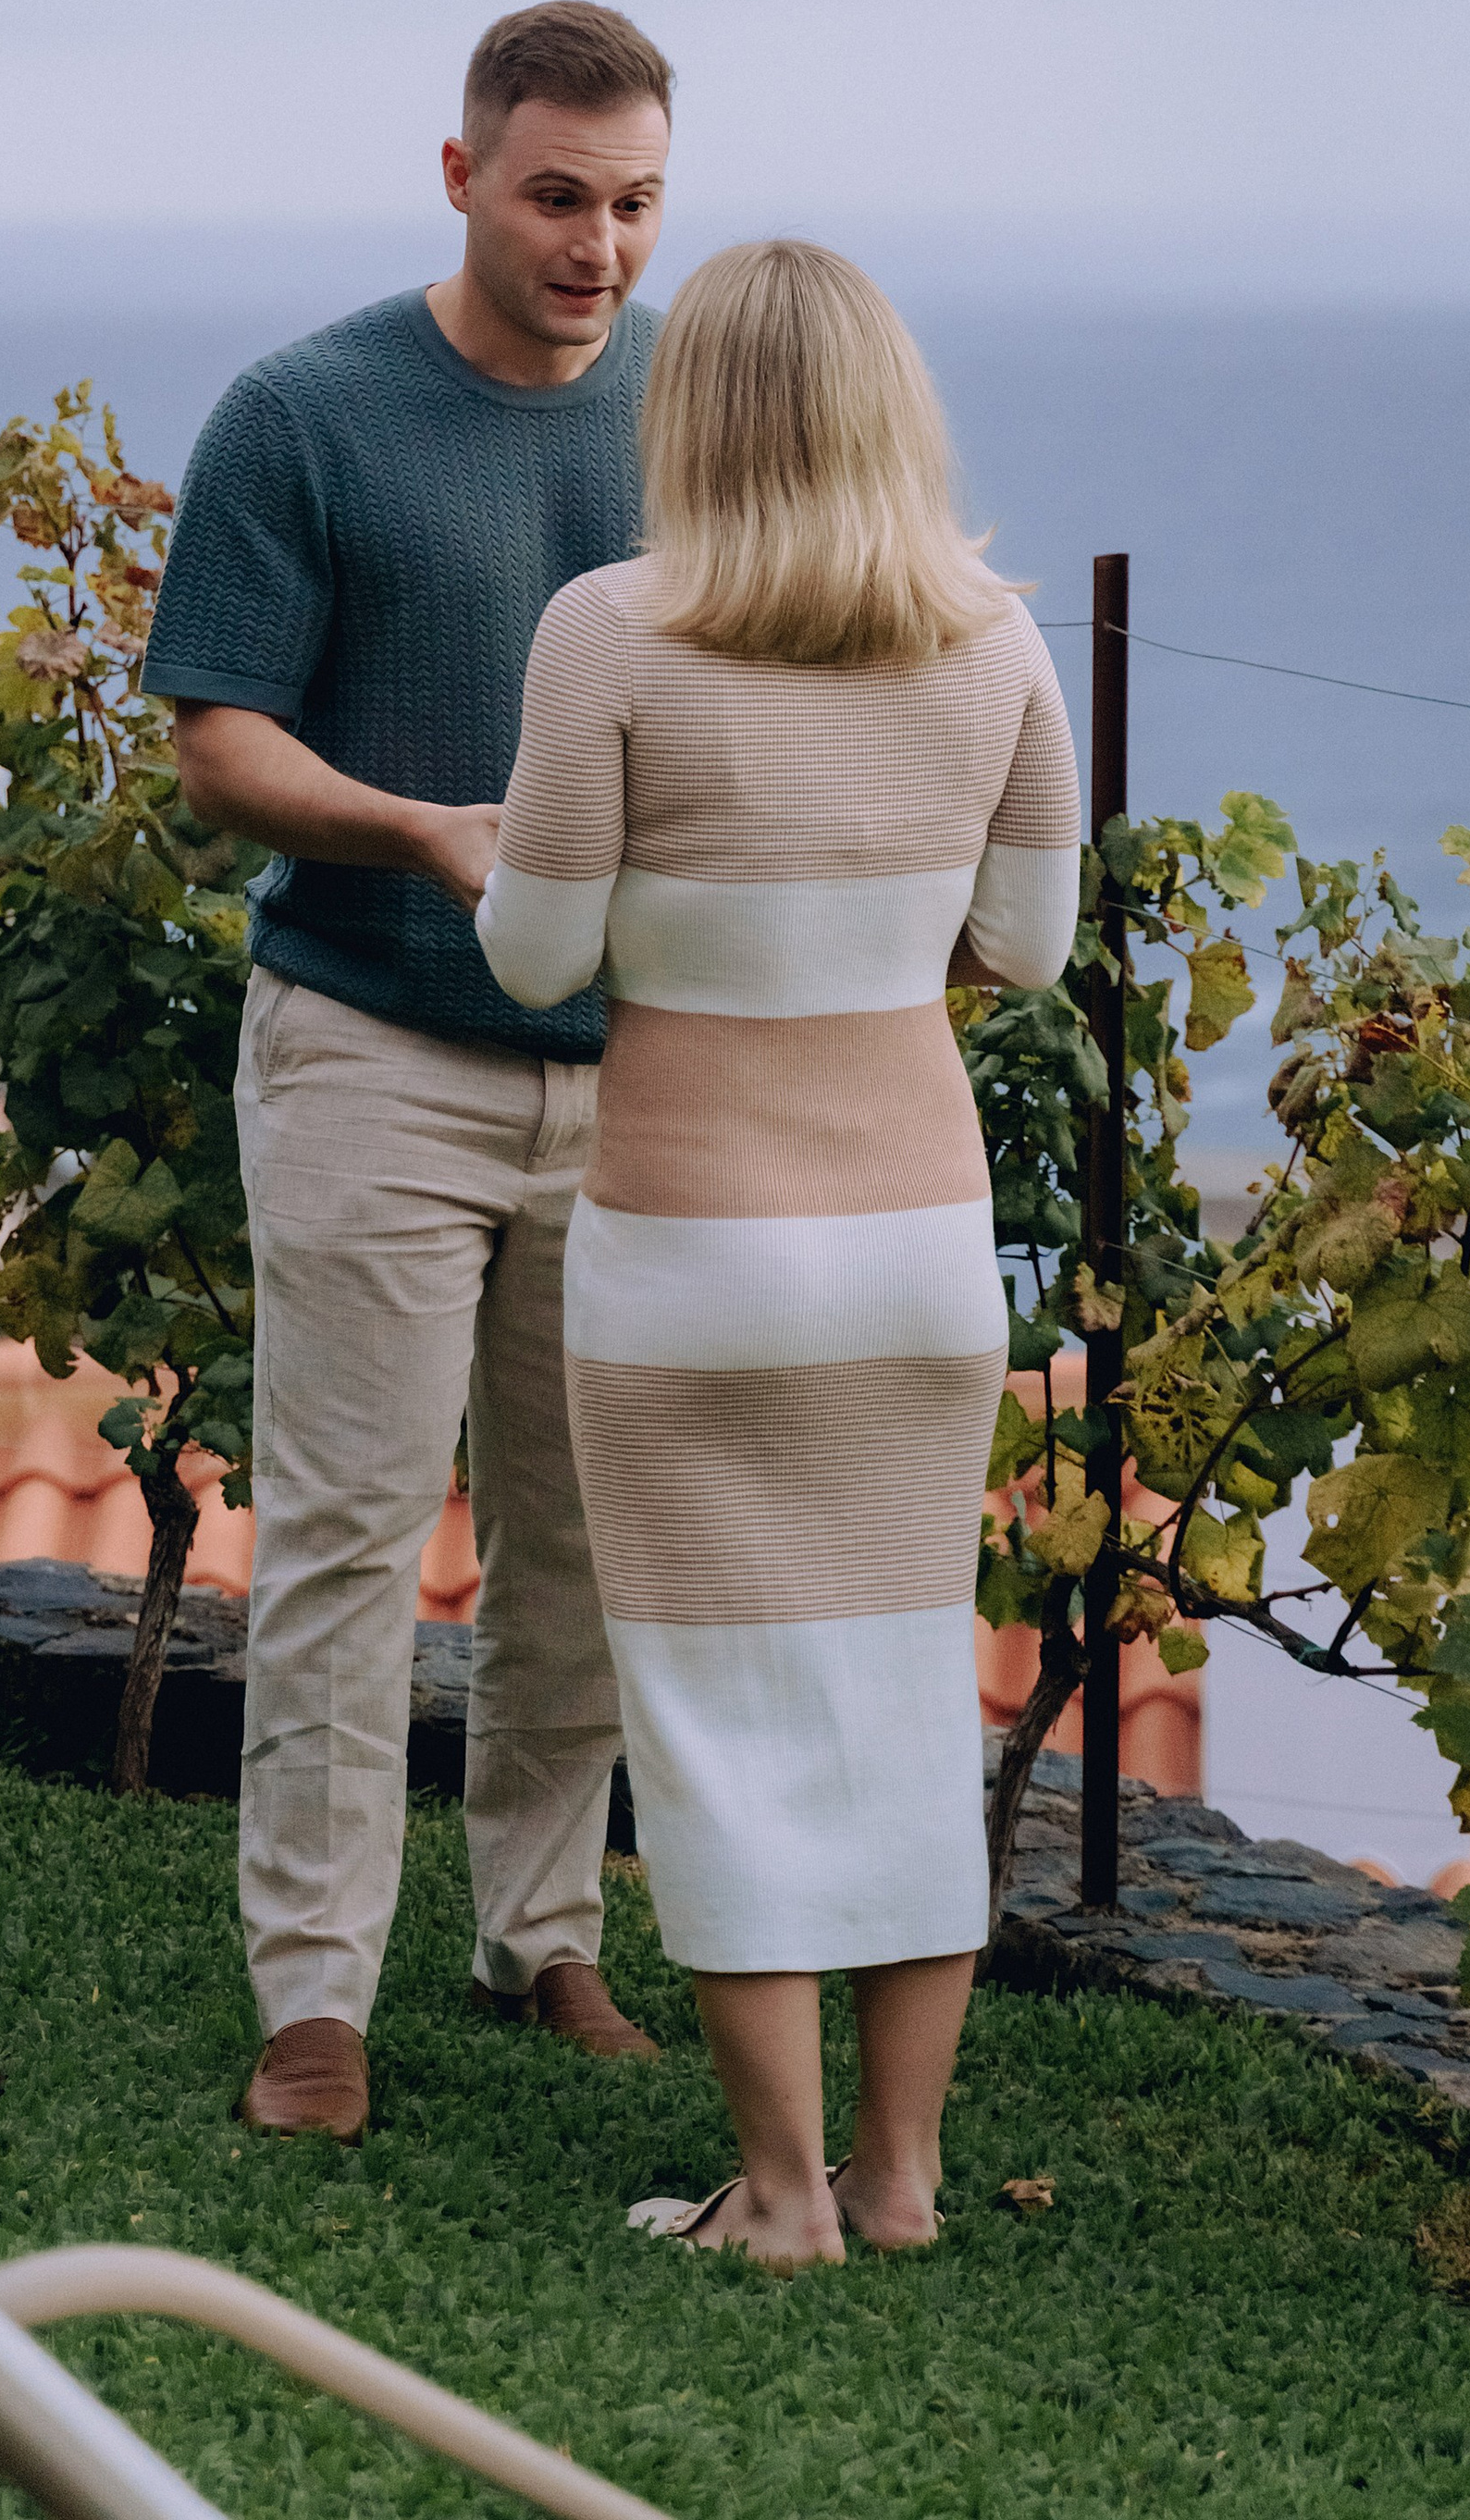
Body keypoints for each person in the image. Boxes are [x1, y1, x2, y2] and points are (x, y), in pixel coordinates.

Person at [475, 238, 1081, 2268]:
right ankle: (902, 2182)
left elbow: (539, 954)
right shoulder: (996, 638)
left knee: (717, 1719)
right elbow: (1032, 943)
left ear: (689, 410)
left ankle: (784, 2195)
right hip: (918, 1254)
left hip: (690, 1258)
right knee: (905, 1695)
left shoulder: (610, 633)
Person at [144, 0, 677, 2144]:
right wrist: (425, 831)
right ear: (457, 173)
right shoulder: (301, 413)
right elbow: (218, 741)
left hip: (630, 1066)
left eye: (635, 202)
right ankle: (311, 1996)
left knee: (585, 1545)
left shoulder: (688, 397)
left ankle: (544, 1931)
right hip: (369, 1040)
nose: (599, 245)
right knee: (354, 1535)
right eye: (558, 194)